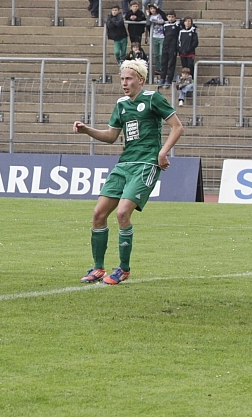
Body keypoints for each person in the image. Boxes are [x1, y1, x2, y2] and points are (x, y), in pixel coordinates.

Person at [74, 59, 183, 285]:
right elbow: (111, 136)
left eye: (129, 79)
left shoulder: (153, 99)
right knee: (98, 214)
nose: (124, 83)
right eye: (122, 79)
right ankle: (98, 268)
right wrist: (87, 130)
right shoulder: (121, 104)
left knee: (122, 213)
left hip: (146, 164)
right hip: (124, 164)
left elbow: (177, 127)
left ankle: (123, 269)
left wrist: (162, 153)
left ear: (140, 80)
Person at [160, 10, 180, 86]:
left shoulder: (177, 25)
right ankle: (162, 78)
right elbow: (164, 34)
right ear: (167, 17)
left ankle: (169, 79)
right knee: (163, 62)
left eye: (172, 17)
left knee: (171, 63)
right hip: (165, 45)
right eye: (169, 17)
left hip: (173, 46)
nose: (171, 18)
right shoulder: (165, 25)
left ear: (175, 17)